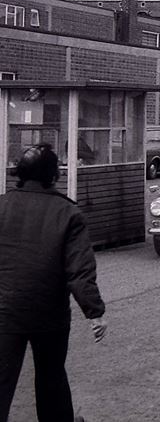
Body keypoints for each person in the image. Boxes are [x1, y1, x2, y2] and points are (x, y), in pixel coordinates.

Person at [0, 144, 107, 422]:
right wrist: (94, 313)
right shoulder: (68, 213)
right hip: (49, 315)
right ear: (53, 176)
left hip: (4, 312)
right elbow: (79, 270)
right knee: (51, 379)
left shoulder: (1, 206)